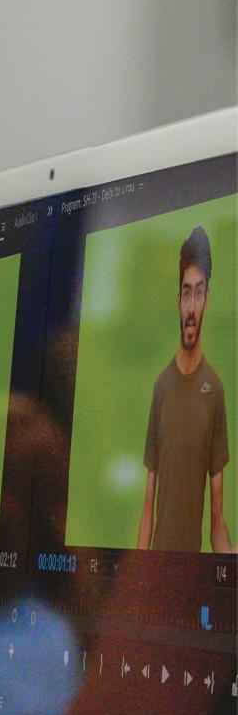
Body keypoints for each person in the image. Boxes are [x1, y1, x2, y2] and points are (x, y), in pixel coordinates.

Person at [137, 225, 231, 554]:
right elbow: (147, 509)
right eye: (187, 293)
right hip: (155, 569)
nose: (192, 307)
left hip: (191, 573)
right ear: (179, 301)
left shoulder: (214, 389)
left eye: (199, 294)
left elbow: (216, 522)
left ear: (207, 300)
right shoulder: (161, 386)